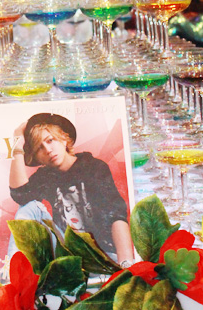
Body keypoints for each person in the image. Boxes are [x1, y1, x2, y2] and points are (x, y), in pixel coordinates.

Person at [9, 112, 133, 266]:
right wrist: (17, 146)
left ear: (63, 138)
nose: (48, 150)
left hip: (102, 254)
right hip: (68, 256)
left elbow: (116, 215)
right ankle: (14, 271)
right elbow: (20, 194)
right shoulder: (45, 176)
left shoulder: (93, 167)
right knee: (28, 207)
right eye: (39, 148)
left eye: (50, 140)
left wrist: (126, 264)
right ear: (37, 158)